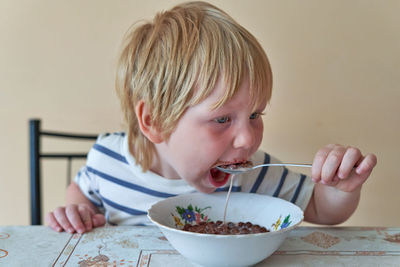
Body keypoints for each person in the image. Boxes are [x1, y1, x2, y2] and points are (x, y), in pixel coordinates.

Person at [46, 1, 377, 234]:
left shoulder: (252, 176)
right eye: (222, 119)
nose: (248, 139)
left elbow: (320, 209)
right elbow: (82, 190)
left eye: (254, 114)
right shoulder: (108, 160)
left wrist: (339, 189)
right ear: (155, 121)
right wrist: (80, 213)